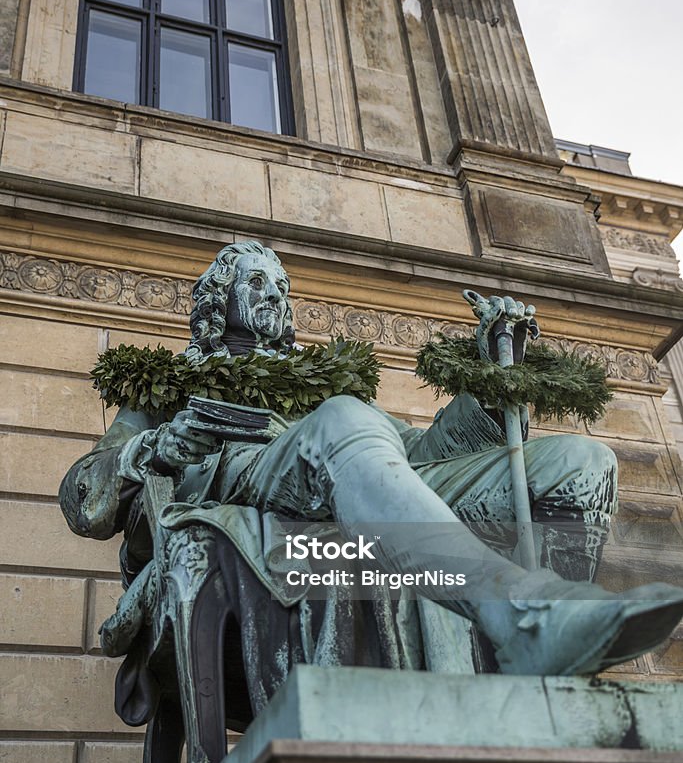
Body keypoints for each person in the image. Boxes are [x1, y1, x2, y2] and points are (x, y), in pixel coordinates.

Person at [60, 241, 683, 698]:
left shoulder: (325, 390)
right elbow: (83, 496)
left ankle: (548, 664)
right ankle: (523, 617)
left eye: (281, 286)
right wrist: (167, 440)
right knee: (341, 419)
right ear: (219, 302)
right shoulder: (165, 389)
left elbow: (421, 457)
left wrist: (491, 380)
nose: (276, 295)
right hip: (246, 488)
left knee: (582, 461)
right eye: (258, 284)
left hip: (342, 468)